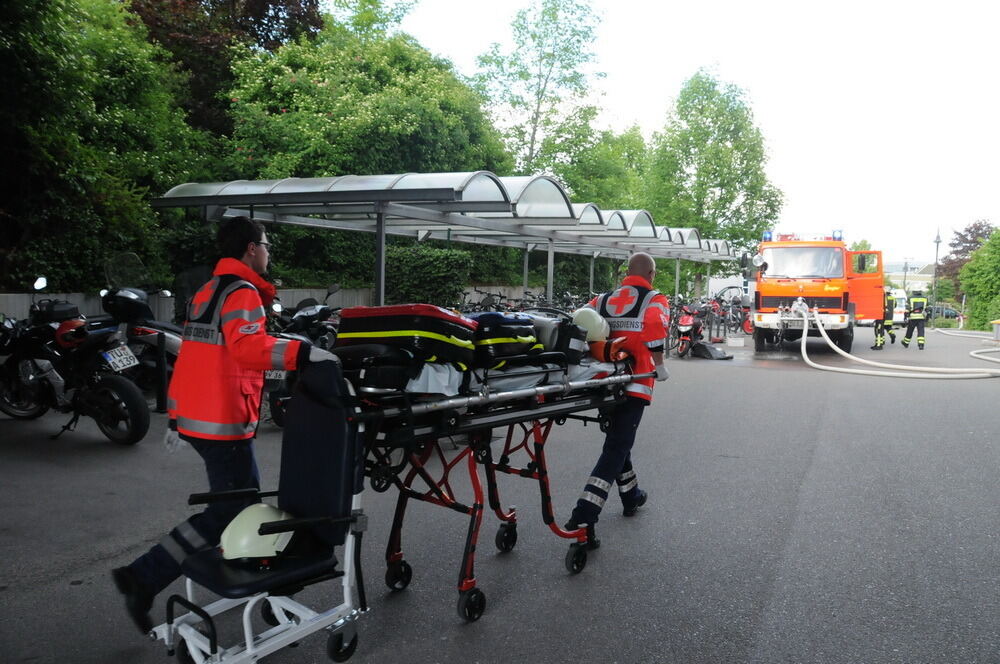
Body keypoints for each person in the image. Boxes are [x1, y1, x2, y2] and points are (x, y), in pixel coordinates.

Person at [111, 216, 333, 634]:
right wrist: (301, 355)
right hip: (221, 419)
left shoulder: (208, 290)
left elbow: (200, 353)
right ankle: (143, 576)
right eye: (266, 244)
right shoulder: (243, 291)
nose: (268, 251)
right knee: (231, 509)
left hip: (196, 414)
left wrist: (175, 415)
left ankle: (258, 587)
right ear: (250, 248)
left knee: (237, 507)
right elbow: (248, 348)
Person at [565, 252, 670, 540]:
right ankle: (584, 515)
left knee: (618, 441)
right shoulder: (655, 299)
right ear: (651, 274)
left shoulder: (602, 299)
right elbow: (654, 328)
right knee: (616, 447)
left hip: (603, 381)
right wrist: (659, 365)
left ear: (627, 272)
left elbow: (579, 322)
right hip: (635, 382)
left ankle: (631, 496)